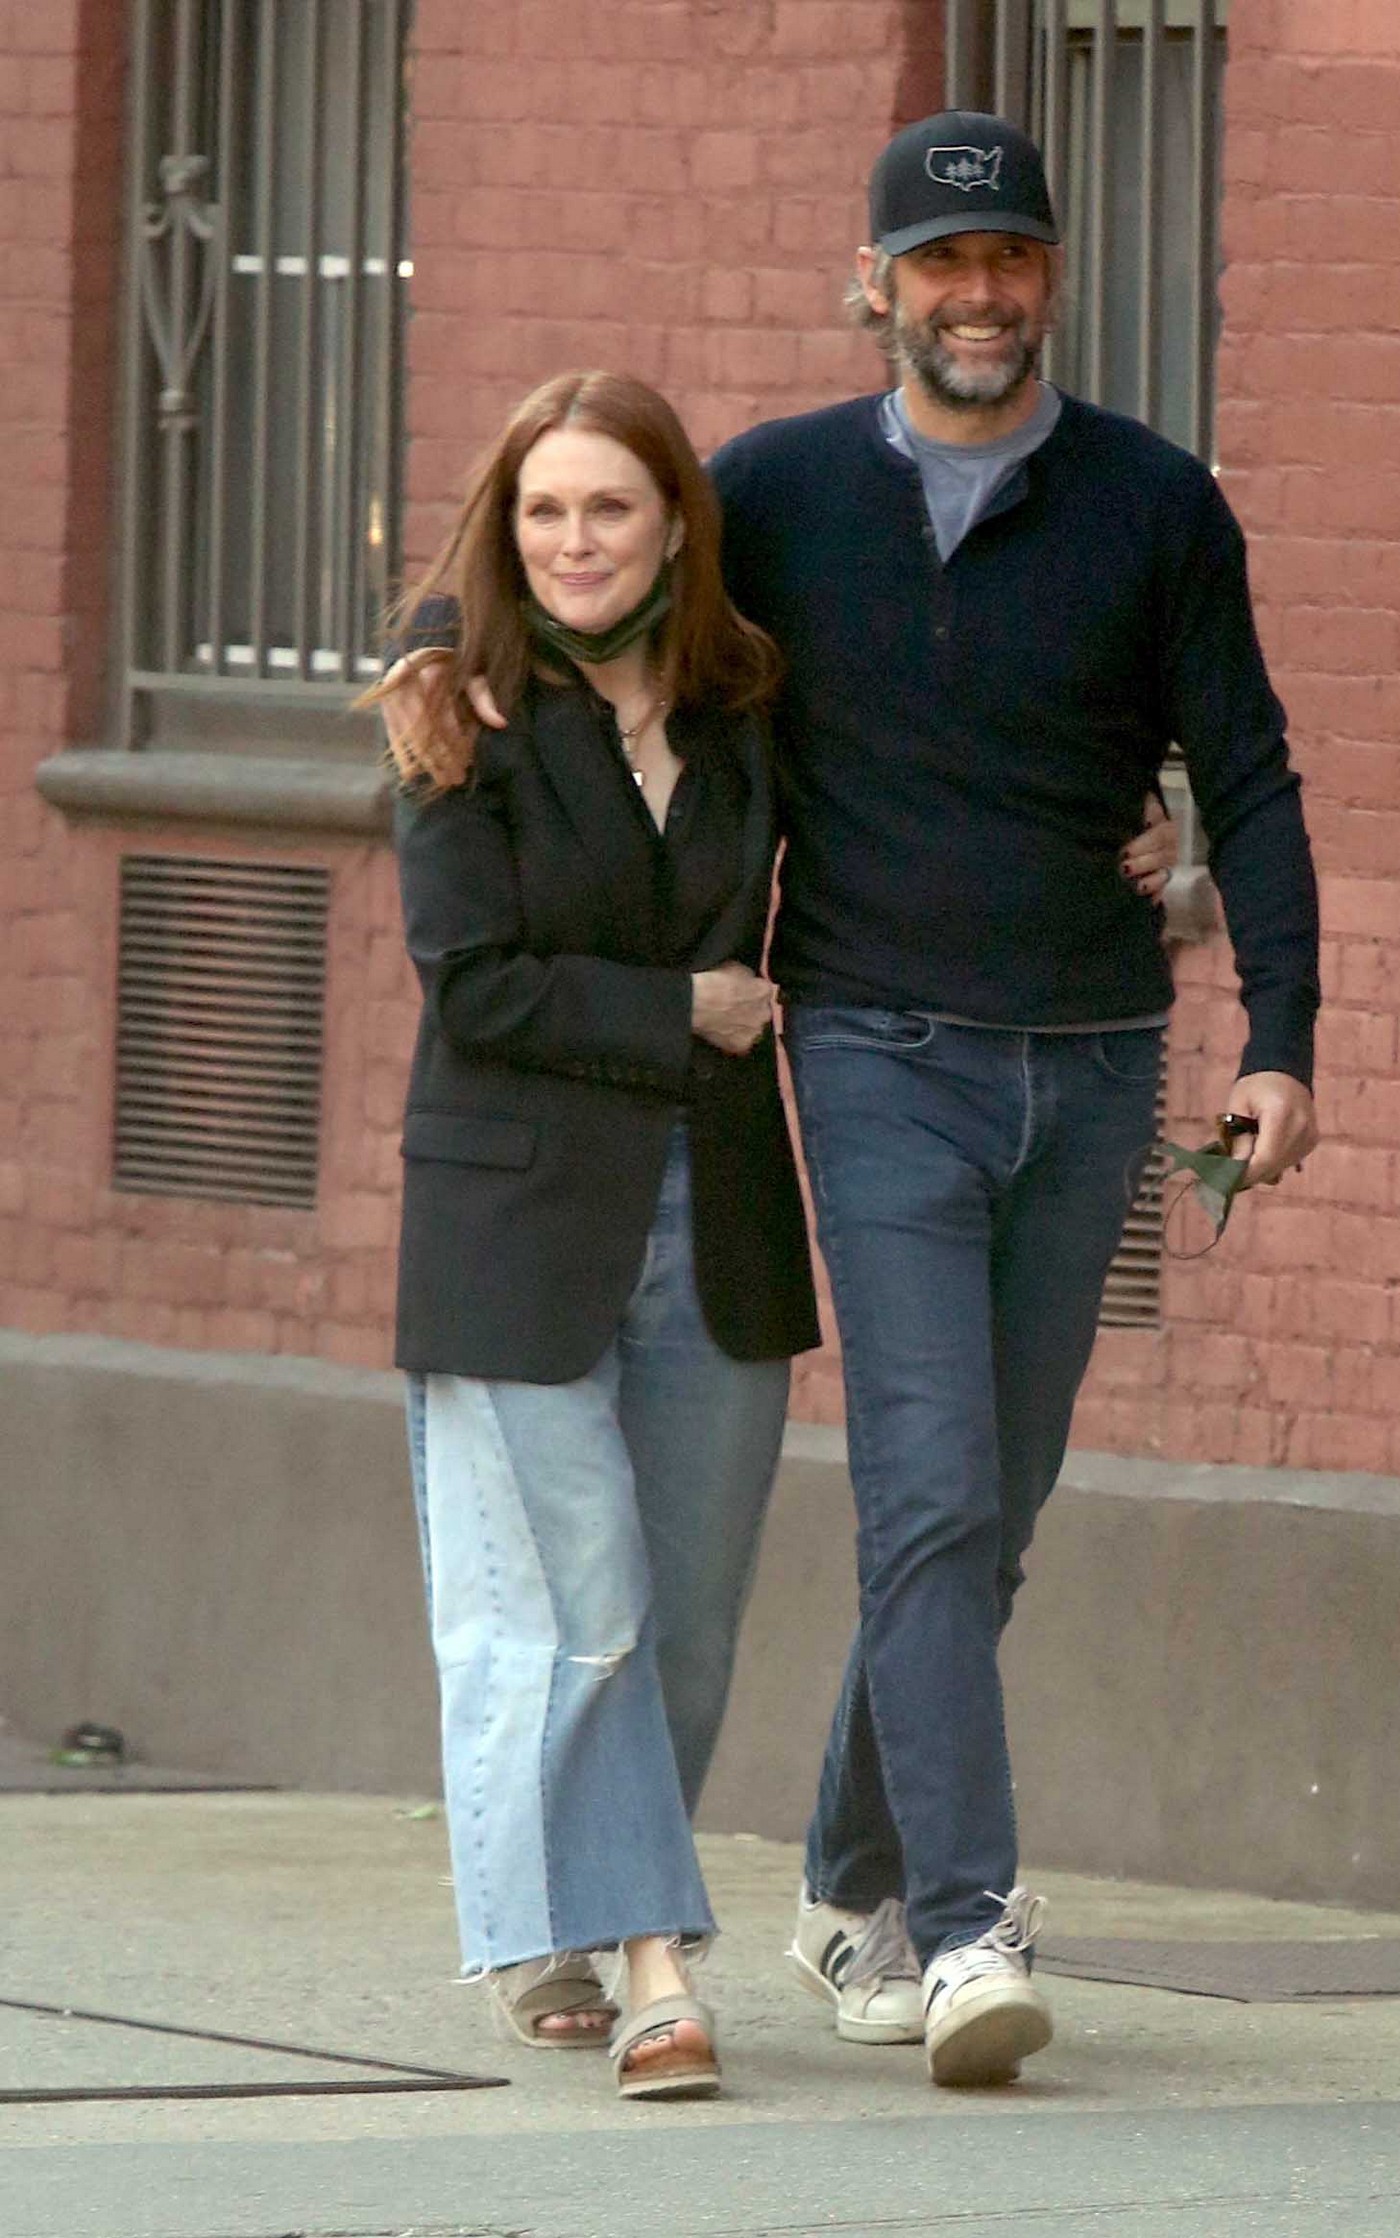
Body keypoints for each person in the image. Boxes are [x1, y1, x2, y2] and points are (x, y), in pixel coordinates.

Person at [702, 110, 1320, 2087]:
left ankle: (841, 1882)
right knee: (934, 1491)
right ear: (873, 284)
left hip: (1095, 1061)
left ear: (1049, 278)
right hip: (874, 1049)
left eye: (1010, 260)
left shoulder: (1152, 504)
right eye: (941, 264)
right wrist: (442, 656)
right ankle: (966, 1925)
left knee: (990, 1514)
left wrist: (1280, 1034)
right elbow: (590, 602)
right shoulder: (771, 494)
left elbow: (1248, 774)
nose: (978, 296)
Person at [365, 370, 820, 2102]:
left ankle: (557, 1909)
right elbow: (472, 981)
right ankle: (655, 1966)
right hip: (517, 1221)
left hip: (720, 1212)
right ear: (507, 527)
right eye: (544, 510)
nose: (575, 540)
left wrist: (1127, 838)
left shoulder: (746, 699)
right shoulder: (455, 702)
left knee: (687, 1626)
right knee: (588, 1607)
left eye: (609, 506)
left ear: (675, 525)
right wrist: (681, 1005)